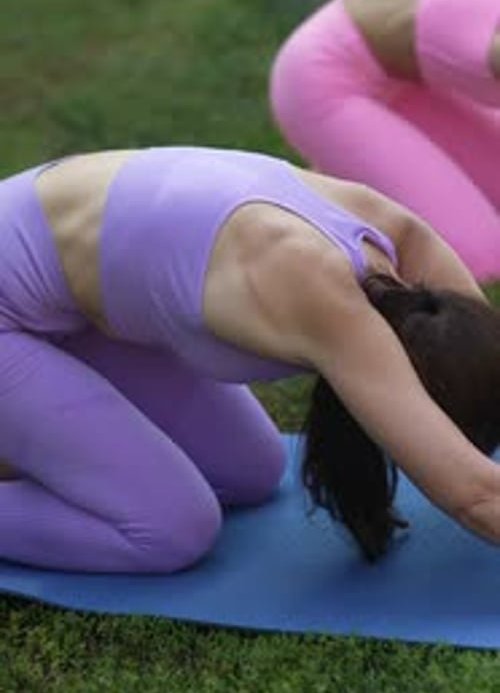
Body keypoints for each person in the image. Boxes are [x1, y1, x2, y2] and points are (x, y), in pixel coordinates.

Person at [0, 145, 500, 572]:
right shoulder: (319, 295)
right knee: (172, 527)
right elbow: (475, 496)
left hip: (71, 296)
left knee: (252, 471)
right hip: (12, 307)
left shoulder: (407, 247)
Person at [270, 0, 500, 283]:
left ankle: (351, 184)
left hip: (408, 77)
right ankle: (300, 223)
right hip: (323, 79)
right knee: (478, 259)